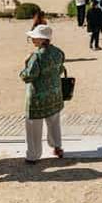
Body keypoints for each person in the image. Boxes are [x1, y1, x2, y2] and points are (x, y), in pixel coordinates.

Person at [20, 24, 65, 163]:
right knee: (54, 122)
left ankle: (33, 155)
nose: (32, 39)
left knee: (33, 126)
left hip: (37, 97)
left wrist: (25, 63)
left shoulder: (36, 56)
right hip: (55, 94)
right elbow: (60, 70)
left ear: (41, 39)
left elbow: (27, 76)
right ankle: (57, 147)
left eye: (34, 37)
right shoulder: (58, 52)